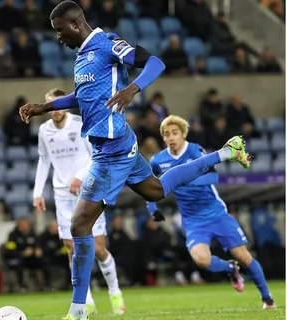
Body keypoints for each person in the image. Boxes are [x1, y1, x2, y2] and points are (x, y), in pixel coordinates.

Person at [17, 2, 252, 319]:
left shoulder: (105, 44)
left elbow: (154, 63)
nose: (58, 38)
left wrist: (132, 88)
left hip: (112, 150)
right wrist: (44, 108)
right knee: (155, 191)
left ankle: (77, 311)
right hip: (116, 145)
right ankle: (225, 152)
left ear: (74, 24)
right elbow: (81, 97)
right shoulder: (83, 55)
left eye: (60, 31)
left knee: (78, 225)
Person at [148, 115, 275, 309]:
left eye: (175, 133)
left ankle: (267, 298)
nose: (171, 137)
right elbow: (150, 187)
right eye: (166, 134)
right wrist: (152, 208)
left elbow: (213, 177)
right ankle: (230, 268)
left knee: (243, 255)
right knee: (201, 259)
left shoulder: (195, 151)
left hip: (215, 213)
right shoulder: (158, 161)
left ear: (183, 134)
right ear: (162, 138)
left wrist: (183, 180)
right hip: (192, 220)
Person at [33, 88, 125, 315]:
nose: (54, 110)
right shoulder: (44, 131)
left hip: (89, 189)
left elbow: (96, 156)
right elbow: (44, 160)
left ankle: (115, 291)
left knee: (100, 248)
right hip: (62, 194)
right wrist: (37, 192)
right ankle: (86, 301)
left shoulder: (81, 123)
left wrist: (79, 177)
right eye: (50, 105)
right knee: (72, 249)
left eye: (57, 104)